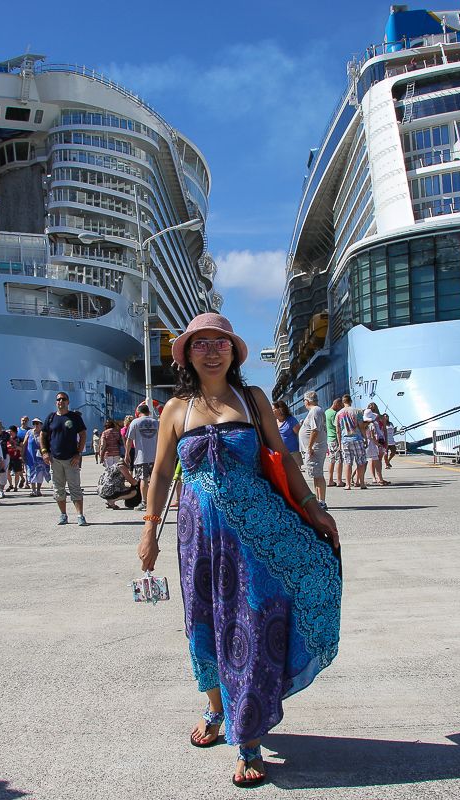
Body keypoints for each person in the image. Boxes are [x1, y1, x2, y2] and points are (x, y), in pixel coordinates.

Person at [137, 313, 341, 788]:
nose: (211, 351)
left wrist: (313, 507)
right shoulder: (175, 409)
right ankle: (215, 708)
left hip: (257, 533)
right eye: (201, 343)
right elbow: (162, 474)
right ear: (187, 354)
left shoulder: (252, 399)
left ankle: (247, 736)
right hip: (197, 538)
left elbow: (282, 457)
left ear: (233, 351)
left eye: (220, 343)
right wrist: (149, 531)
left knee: (251, 623)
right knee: (203, 620)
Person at [41, 391, 87, 526]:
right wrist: (44, 451)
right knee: (58, 489)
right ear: (56, 402)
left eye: (63, 399)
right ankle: (63, 515)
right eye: (58, 399)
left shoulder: (74, 417)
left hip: (71, 458)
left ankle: (80, 515)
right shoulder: (51, 417)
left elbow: (83, 435)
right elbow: (43, 435)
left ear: (68, 402)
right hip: (55, 459)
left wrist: (78, 453)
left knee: (75, 488)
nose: (60, 401)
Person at [125, 403, 159, 510]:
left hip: (141, 457)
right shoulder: (156, 422)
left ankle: (144, 502)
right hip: (155, 457)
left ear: (138, 412)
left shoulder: (135, 422)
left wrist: (127, 454)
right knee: (155, 479)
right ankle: (155, 501)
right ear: (148, 412)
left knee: (143, 479)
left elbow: (129, 440)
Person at [298, 390, 328, 507]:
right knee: (316, 475)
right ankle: (319, 500)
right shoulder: (316, 410)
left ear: (306, 401)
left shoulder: (315, 411)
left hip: (315, 448)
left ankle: (322, 501)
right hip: (315, 448)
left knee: (318, 475)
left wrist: (310, 447)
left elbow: (315, 430)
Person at [335, 395, 368, 490]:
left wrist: (339, 443)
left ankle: (348, 484)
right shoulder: (357, 411)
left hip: (345, 440)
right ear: (351, 401)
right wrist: (365, 438)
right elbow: (361, 426)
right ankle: (362, 483)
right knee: (360, 462)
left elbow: (338, 430)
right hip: (357, 438)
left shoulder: (339, 414)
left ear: (343, 402)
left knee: (348, 462)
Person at [363, 403, 389, 486]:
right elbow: (380, 432)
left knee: (374, 459)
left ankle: (377, 477)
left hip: (377, 440)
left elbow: (384, 430)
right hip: (375, 441)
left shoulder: (379, 418)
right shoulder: (372, 422)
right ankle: (377, 478)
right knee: (374, 459)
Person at [272, 400, 302, 466]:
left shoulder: (291, 420)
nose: (271, 411)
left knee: (294, 472)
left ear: (280, 409)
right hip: (280, 454)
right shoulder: (274, 422)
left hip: (293, 453)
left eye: (273, 409)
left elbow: (300, 434)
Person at [23, 419, 50, 496]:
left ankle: (38, 490)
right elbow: (25, 444)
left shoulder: (43, 433)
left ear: (41, 424)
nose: (35, 425)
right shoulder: (29, 432)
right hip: (31, 456)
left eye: (37, 423)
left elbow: (47, 444)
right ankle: (33, 490)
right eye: (34, 423)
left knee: (40, 473)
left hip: (40, 457)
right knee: (31, 472)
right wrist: (23, 454)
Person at [324, 398, 344, 488]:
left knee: (331, 460)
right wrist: (340, 442)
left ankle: (330, 480)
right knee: (339, 460)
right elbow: (337, 428)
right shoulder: (334, 414)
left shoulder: (326, 412)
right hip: (335, 439)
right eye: (340, 406)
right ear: (336, 404)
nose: (340, 408)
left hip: (329, 439)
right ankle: (339, 481)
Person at [6, 425, 24, 490]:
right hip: (8, 457)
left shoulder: (19, 439)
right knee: (7, 472)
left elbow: (22, 448)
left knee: (17, 472)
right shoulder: (7, 439)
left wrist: (16, 447)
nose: (10, 432)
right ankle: (11, 485)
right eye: (9, 431)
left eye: (11, 431)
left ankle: (16, 486)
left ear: (14, 432)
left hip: (17, 457)